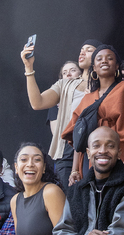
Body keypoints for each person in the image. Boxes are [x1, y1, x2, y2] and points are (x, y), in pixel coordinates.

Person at [62, 45, 124, 184]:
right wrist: (74, 170)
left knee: (122, 195)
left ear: (116, 66)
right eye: (99, 59)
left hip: (120, 151)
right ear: (94, 68)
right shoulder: (87, 98)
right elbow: (78, 137)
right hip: (91, 156)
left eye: (110, 58)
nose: (104, 61)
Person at [22, 40, 100, 189]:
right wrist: (28, 67)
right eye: (81, 49)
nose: (82, 52)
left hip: (95, 145)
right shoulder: (64, 85)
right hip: (68, 148)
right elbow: (37, 103)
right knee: (69, 198)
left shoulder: (104, 83)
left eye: (89, 50)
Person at [46, 61, 81, 139]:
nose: (68, 74)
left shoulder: (88, 94)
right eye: (64, 73)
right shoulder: (56, 101)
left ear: (81, 74)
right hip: (66, 147)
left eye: (73, 70)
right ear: (61, 79)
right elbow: (56, 133)